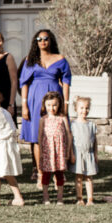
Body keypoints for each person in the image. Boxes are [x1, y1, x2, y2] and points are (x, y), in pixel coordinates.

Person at [19, 29, 72, 183]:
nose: (42, 41)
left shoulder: (60, 59)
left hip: (56, 99)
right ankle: (41, 172)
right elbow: (24, 83)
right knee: (36, 137)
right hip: (35, 101)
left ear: (51, 41)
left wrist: (66, 104)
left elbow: (67, 82)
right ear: (35, 42)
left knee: (57, 135)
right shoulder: (31, 59)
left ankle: (57, 173)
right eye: (39, 39)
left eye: (46, 38)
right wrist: (24, 105)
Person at [38, 91, 74, 205]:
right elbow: (40, 136)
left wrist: (68, 150)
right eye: (49, 105)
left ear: (59, 105)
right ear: (45, 105)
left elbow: (68, 134)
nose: (52, 108)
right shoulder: (43, 119)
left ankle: (60, 197)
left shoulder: (62, 118)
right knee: (46, 174)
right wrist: (40, 153)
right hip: (48, 150)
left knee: (59, 174)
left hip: (59, 150)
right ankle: (46, 197)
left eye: (54, 105)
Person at [69, 96, 98, 206]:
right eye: (81, 108)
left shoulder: (91, 125)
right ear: (76, 109)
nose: (84, 111)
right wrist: (71, 153)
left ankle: (90, 199)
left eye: (86, 108)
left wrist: (95, 154)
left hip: (89, 154)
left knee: (89, 177)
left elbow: (95, 141)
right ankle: (79, 198)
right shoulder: (73, 124)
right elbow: (70, 141)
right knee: (79, 177)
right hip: (78, 154)